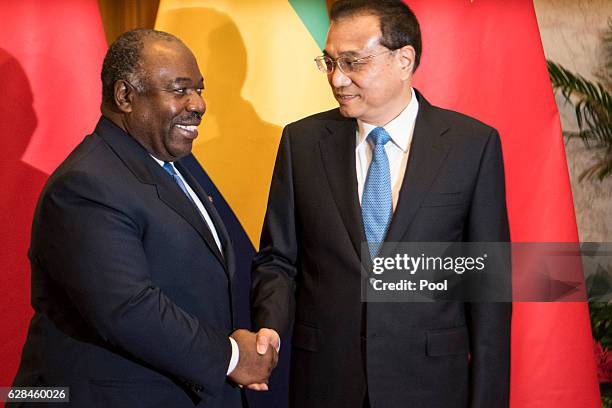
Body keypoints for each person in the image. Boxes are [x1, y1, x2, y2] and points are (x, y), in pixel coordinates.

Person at [250, 1, 511, 407]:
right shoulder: (301, 143)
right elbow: (278, 259)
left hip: (431, 383)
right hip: (326, 381)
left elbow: (489, 286)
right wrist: (270, 324)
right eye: (330, 61)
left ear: (404, 59)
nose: (337, 79)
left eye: (353, 62)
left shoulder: (471, 146)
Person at [11, 29, 276, 408]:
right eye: (180, 89)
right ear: (125, 96)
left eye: (200, 89)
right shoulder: (85, 184)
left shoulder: (170, 166)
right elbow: (128, 308)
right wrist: (232, 357)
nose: (198, 104)